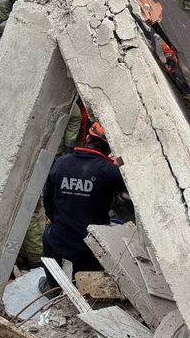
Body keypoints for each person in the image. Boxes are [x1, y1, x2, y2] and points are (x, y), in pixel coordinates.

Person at [39, 121, 127, 293]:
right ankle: (84, 288)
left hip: (60, 238)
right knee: (89, 265)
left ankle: (53, 286)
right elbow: (130, 177)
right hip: (89, 243)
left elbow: (48, 199)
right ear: (110, 148)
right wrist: (119, 161)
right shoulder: (110, 172)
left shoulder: (61, 162)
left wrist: (56, 219)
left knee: (48, 235)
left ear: (87, 138)